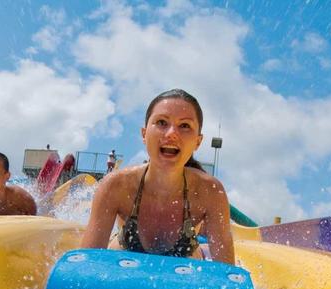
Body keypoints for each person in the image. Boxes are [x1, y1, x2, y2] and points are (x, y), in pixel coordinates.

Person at [81, 89, 234, 264]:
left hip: (183, 276)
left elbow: (227, 272)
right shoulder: (116, 186)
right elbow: (86, 265)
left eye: (185, 125)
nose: (171, 134)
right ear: (144, 134)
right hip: (122, 272)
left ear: (198, 142)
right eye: (162, 122)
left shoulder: (210, 192)